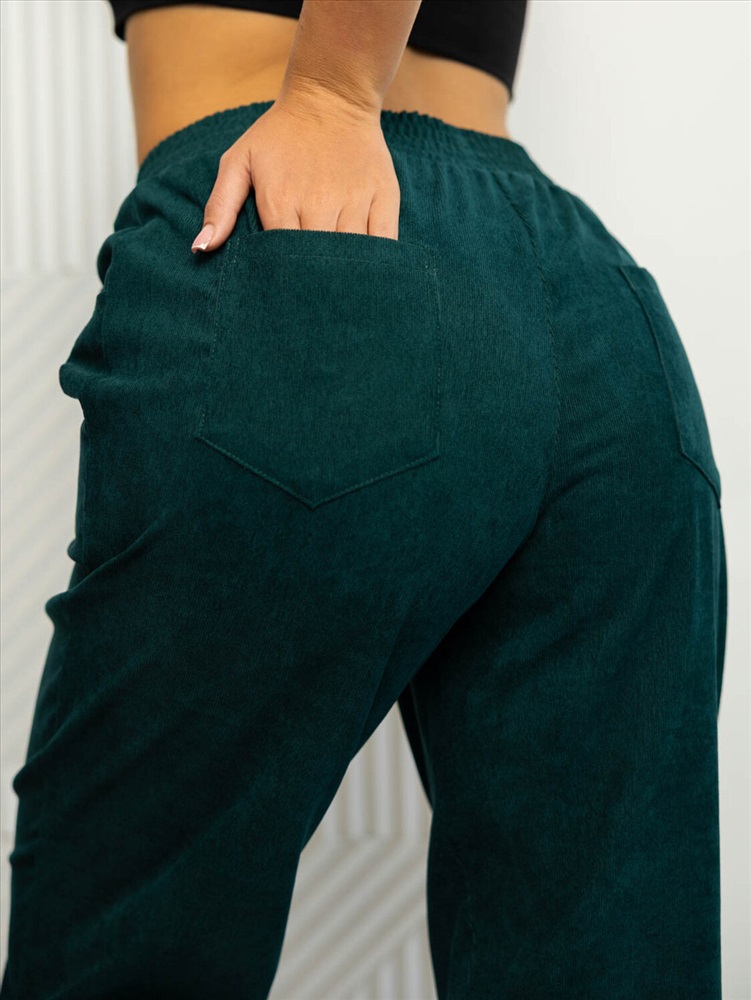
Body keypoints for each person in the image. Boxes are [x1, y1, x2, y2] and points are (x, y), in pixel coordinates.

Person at [0, 1, 727, 998]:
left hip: (309, 236)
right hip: (593, 312)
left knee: (113, 947)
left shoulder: (327, 107)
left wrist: (331, 91)